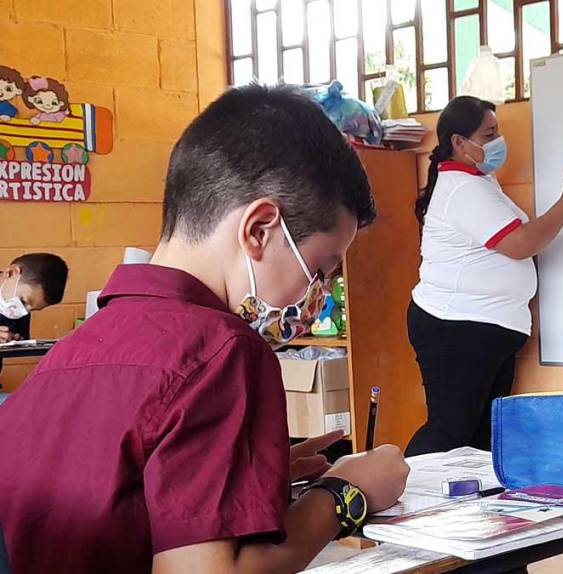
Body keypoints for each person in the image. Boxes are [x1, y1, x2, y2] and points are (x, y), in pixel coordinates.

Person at [0, 85, 410, 574]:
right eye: (320, 268)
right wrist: (346, 494)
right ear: (260, 229)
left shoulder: (71, 350)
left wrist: (251, 479)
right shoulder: (223, 349)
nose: (317, 294)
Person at [406, 96, 563, 456]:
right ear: (459, 143)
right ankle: (406, 498)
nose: (498, 142)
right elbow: (521, 243)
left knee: (480, 440)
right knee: (449, 433)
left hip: (484, 329)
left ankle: (466, 511)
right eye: (489, 133)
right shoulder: (463, 189)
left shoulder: (479, 181)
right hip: (455, 326)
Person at [0, 252, 68, 381]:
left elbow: (16, 344)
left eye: (33, 310)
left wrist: (13, 340)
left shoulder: (21, 311)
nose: (24, 312)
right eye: (23, 301)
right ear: (12, 273)